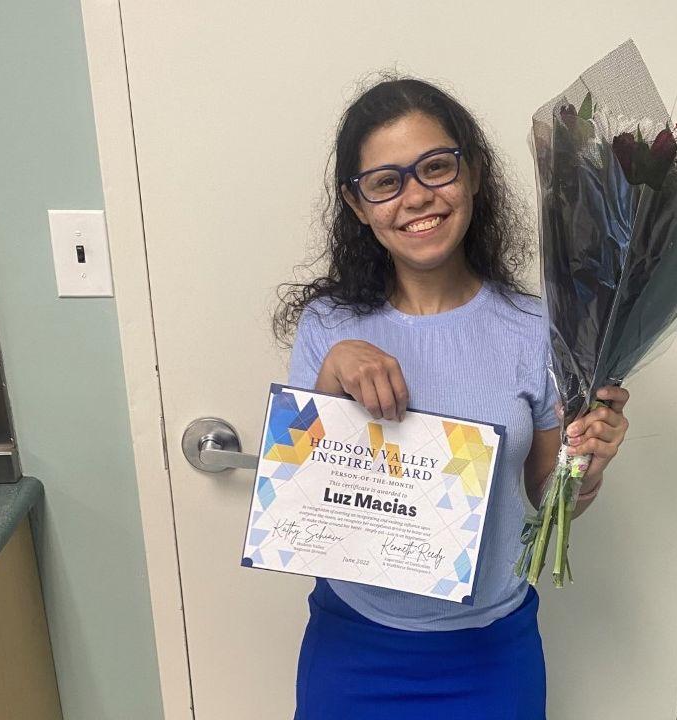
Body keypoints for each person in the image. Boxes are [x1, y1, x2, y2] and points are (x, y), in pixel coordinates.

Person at [275, 76, 630, 720]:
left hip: (492, 656)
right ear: (359, 206)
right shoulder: (327, 327)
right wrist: (332, 375)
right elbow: (299, 510)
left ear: (472, 175)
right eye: (386, 182)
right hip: (354, 648)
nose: (416, 196)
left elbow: (551, 502)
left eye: (436, 167)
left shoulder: (541, 328)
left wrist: (588, 465)